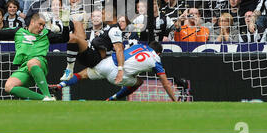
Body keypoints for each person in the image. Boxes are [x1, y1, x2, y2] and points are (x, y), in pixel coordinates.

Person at [50, 42, 178, 102]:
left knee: (81, 75)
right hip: (117, 75)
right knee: (139, 82)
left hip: (108, 63)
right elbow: (166, 84)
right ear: (159, 53)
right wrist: (175, 100)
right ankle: (112, 99)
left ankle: (60, 85)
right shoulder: (156, 59)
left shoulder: (139, 45)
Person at [0, 12, 71, 101]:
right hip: (24, 67)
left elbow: (64, 39)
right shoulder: (18, 31)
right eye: (40, 24)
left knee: (32, 62)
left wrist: (65, 25)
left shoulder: (46, 34)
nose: (42, 28)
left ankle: (48, 95)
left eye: (43, 25)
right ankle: (44, 98)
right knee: (9, 87)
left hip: (39, 63)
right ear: (32, 22)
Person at [60, 9, 125, 83]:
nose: (101, 16)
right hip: (90, 49)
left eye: (102, 14)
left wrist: (120, 70)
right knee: (77, 23)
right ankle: (59, 28)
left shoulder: (114, 30)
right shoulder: (108, 27)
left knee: (71, 37)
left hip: (95, 57)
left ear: (109, 15)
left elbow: (119, 49)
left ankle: (69, 70)